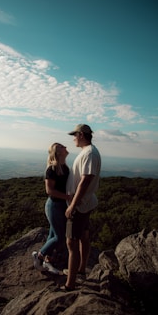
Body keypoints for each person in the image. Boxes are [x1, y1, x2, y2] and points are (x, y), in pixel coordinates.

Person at [62, 124, 101, 291]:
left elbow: (85, 181)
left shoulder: (90, 153)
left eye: (74, 135)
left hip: (80, 205)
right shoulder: (88, 152)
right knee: (84, 236)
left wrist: (73, 205)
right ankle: (81, 270)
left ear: (81, 135)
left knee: (71, 242)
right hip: (87, 203)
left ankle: (70, 284)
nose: (73, 139)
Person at [32, 142, 72, 274]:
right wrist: (68, 197)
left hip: (61, 206)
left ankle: (47, 260)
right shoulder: (52, 169)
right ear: (57, 152)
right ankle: (39, 256)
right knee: (60, 237)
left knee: (53, 234)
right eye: (62, 146)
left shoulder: (64, 168)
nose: (65, 147)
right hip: (54, 206)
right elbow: (49, 190)